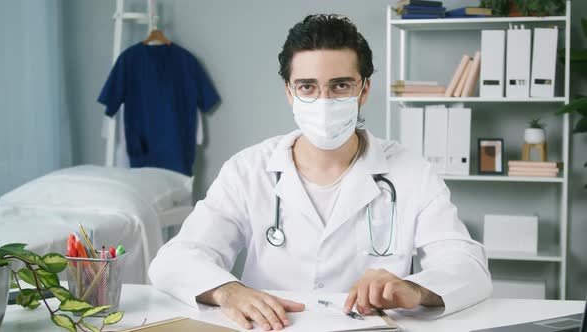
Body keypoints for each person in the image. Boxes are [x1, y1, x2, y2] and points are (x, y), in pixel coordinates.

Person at [149, 14, 492, 331]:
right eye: (308, 86)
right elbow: (175, 259)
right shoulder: (248, 169)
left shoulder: (411, 173)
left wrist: (414, 289)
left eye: (341, 85)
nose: (324, 100)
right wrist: (228, 291)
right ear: (289, 92)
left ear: (364, 90)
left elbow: (468, 266)